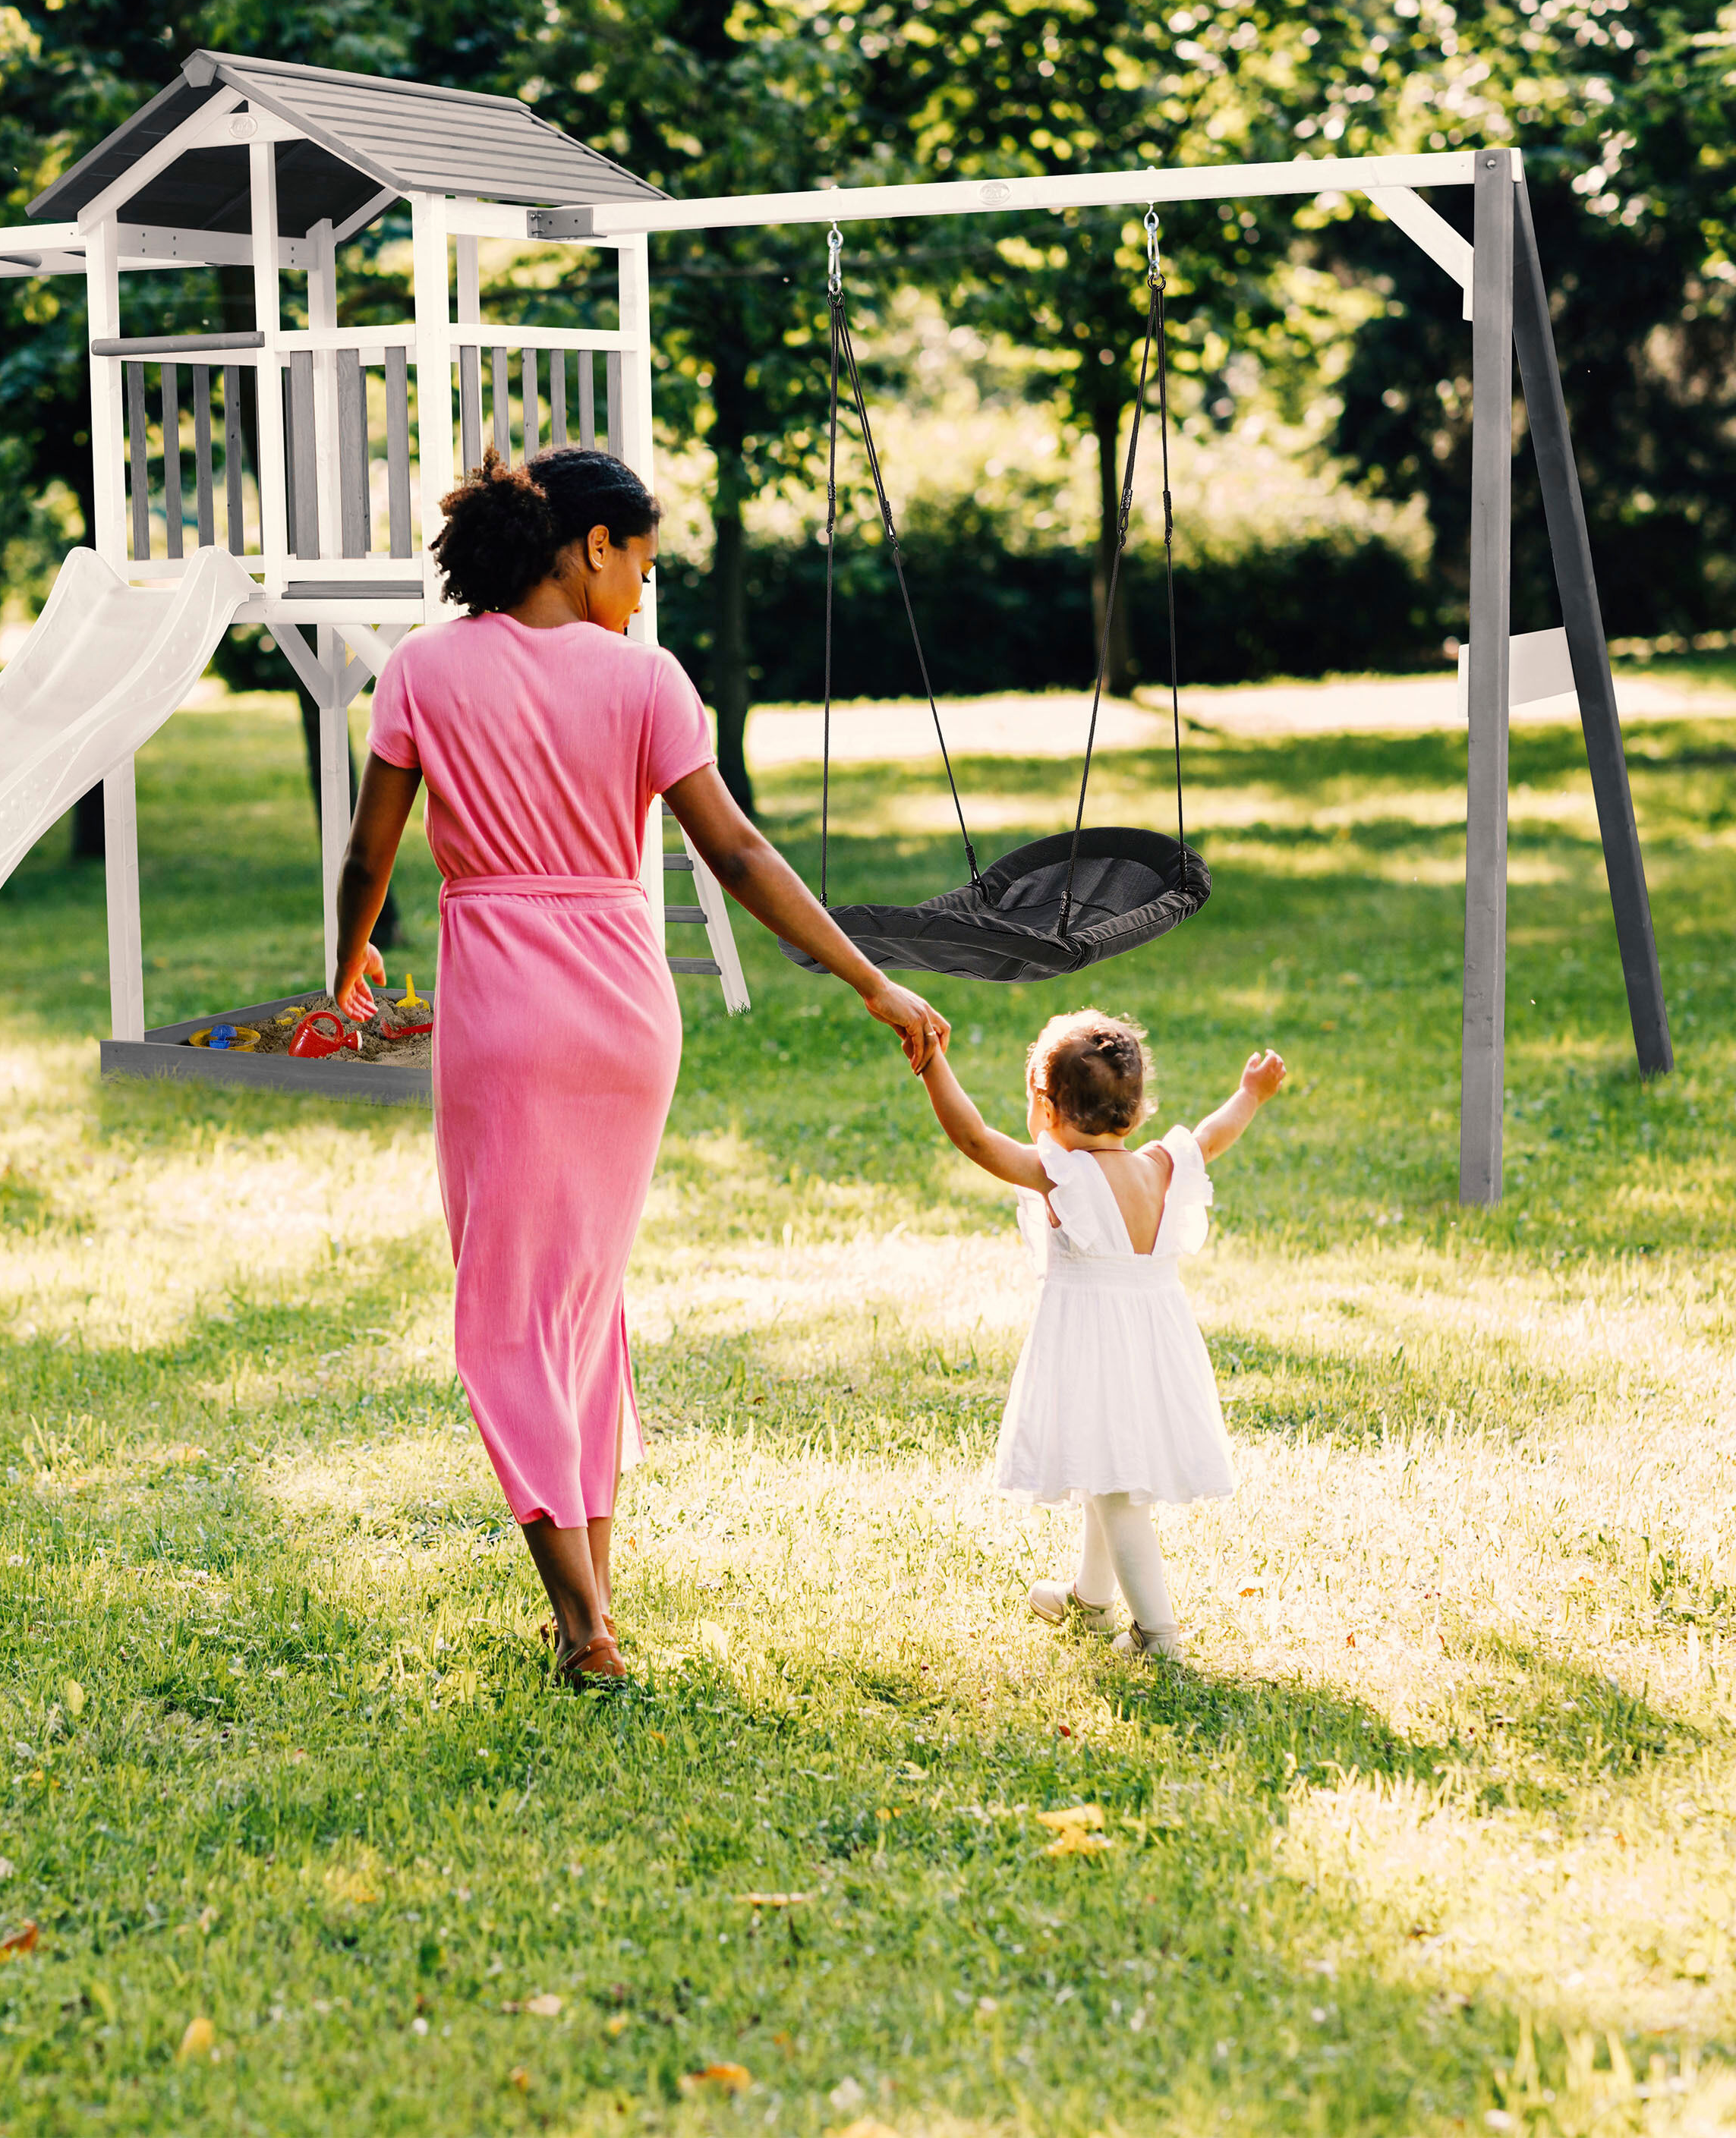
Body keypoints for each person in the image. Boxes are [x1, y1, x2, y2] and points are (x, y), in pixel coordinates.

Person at [332, 447, 950, 1684]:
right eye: (644, 564)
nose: (644, 592)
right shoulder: (647, 682)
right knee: (580, 1306)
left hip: (505, 1009)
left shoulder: (422, 670)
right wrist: (870, 977)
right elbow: (737, 855)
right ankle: (593, 1601)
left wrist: (344, 966)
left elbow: (370, 853)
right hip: (624, 1010)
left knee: (508, 1314)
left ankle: (583, 1624)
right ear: (591, 546)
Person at [913, 1009, 1287, 1660]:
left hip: (1096, 1349)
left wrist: (931, 1062)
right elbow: (1212, 1133)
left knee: (1116, 1492)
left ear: (1047, 1108)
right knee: (1102, 1466)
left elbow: (973, 1138)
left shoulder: (1063, 1176)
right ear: (1136, 1112)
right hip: (1155, 1346)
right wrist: (1250, 1094)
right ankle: (1090, 1600)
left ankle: (1157, 1635)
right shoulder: (1162, 1165)